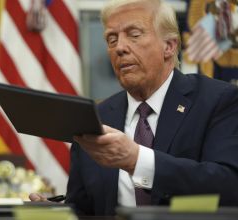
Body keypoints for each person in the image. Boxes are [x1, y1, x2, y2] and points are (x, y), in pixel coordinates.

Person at [30, 0, 238, 215]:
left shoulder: (217, 100)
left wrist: (136, 160)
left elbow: (229, 185)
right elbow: (86, 208)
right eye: (112, 39)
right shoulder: (96, 118)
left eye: (134, 35)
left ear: (169, 46)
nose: (119, 47)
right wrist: (56, 214)